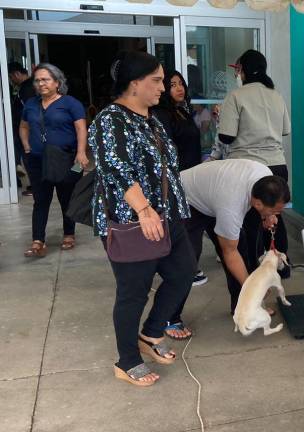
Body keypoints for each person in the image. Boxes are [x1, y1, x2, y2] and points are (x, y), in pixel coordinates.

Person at [90, 51, 195, 386]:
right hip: (132, 221)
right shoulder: (111, 119)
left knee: (183, 273)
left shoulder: (151, 119)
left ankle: (150, 334)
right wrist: (144, 209)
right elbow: (115, 168)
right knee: (133, 291)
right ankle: (127, 360)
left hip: (168, 216)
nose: (163, 87)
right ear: (135, 84)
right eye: (157, 80)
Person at [172, 159, 290, 339]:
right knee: (187, 260)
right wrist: (254, 287)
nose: (276, 216)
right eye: (274, 211)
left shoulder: (266, 179)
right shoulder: (231, 207)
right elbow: (229, 253)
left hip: (214, 194)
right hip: (187, 198)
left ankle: (243, 308)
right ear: (258, 204)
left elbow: (264, 208)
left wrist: (269, 215)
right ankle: (170, 318)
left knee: (242, 250)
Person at [219, 49, 291, 273]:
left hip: (248, 168)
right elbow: (285, 130)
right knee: (275, 217)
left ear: (243, 71)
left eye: (238, 70)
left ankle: (253, 271)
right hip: (277, 166)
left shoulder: (236, 96)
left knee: (251, 224)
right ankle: (282, 267)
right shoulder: (275, 95)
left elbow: (226, 136)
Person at [19, 63, 88, 257]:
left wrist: (81, 152)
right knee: (41, 200)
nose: (41, 83)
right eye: (37, 80)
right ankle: (38, 240)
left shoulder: (71, 103)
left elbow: (81, 129)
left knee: (66, 198)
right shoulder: (31, 104)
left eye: (45, 79)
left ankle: (69, 234)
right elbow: (24, 126)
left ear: (57, 82)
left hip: (66, 159)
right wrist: (26, 145)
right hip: (37, 160)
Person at [152, 70, 208, 289]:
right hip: (180, 179)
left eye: (180, 83)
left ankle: (188, 266)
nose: (179, 88)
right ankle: (186, 269)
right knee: (187, 225)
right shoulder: (161, 114)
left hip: (191, 176)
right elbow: (165, 151)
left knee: (193, 224)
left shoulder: (181, 111)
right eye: (172, 84)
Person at [9, 61, 35, 196]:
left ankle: (35, 186)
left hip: (26, 130)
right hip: (23, 129)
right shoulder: (26, 87)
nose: (12, 80)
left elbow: (30, 112)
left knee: (29, 157)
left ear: (17, 74)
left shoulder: (27, 89)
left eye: (11, 77)